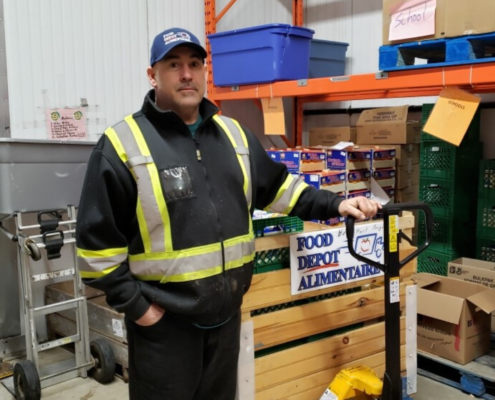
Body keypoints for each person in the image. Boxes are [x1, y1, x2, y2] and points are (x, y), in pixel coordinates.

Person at [76, 27, 381, 400]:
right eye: (173, 65)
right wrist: (140, 310)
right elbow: (96, 250)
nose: (186, 74)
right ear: (152, 75)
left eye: (194, 64)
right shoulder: (123, 145)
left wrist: (335, 204)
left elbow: (279, 189)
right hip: (164, 327)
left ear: (206, 73)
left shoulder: (235, 136)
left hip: (225, 320)